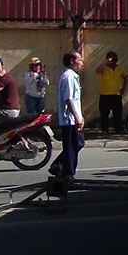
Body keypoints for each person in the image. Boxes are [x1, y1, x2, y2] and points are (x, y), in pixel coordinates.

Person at [49, 51, 85, 180]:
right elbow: (68, 99)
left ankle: (58, 166)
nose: (81, 63)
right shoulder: (68, 77)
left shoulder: (72, 76)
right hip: (69, 119)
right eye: (79, 60)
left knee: (78, 143)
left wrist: (80, 116)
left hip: (73, 118)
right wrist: (76, 117)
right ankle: (67, 174)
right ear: (72, 61)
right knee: (71, 146)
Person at [94, 50, 128, 135]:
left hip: (116, 95)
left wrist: (123, 88)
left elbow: (126, 78)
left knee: (117, 113)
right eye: (110, 57)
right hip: (105, 95)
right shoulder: (104, 68)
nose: (112, 59)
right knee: (104, 114)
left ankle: (118, 129)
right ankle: (104, 129)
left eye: (113, 57)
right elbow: (97, 71)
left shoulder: (119, 68)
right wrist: (106, 62)